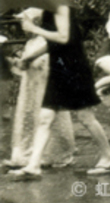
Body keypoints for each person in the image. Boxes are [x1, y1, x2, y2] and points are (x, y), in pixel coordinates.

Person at [8, 4, 110, 179]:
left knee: (86, 118)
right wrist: (30, 57)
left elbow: (63, 37)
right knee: (45, 118)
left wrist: (34, 28)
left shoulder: (60, 7)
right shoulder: (48, 12)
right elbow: (53, 44)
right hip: (59, 70)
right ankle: (33, 165)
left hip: (74, 69)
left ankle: (108, 154)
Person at [4, 17, 76, 171]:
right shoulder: (31, 42)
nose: (23, 28)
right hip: (32, 84)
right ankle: (25, 154)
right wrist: (18, 62)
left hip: (47, 81)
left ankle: (52, 154)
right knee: (30, 113)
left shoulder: (47, 39)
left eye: (24, 24)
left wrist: (28, 60)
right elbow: (25, 66)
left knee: (48, 116)